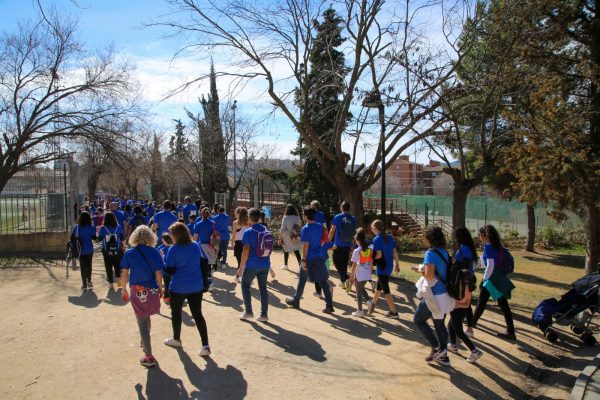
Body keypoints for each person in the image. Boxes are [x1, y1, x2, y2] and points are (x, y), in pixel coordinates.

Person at [163, 223, 211, 356]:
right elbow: (203, 261)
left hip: (178, 286)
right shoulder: (195, 245)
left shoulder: (173, 249)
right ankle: (205, 345)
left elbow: (170, 270)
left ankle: (176, 338)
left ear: (176, 235)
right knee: (198, 315)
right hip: (196, 285)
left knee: (176, 314)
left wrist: (163, 260)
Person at [411, 226, 455, 367]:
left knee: (418, 320)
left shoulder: (430, 253)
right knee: (439, 324)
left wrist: (419, 269)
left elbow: (429, 275)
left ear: (429, 239)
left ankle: (437, 348)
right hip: (445, 294)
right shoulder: (444, 252)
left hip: (434, 296)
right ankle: (443, 356)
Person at [120, 225, 164, 368]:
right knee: (147, 316)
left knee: (141, 320)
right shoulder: (154, 251)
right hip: (151, 288)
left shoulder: (129, 253)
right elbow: (158, 273)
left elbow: (125, 272)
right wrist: (160, 287)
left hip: (137, 289)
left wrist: (123, 289)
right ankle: (145, 340)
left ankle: (148, 355)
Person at [285, 208, 334, 313]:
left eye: (304, 214)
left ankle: (296, 300)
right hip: (319, 256)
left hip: (309, 258)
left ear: (306, 216)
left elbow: (305, 246)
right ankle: (329, 305)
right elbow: (323, 240)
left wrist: (303, 259)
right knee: (323, 281)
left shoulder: (306, 228)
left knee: (302, 280)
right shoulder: (319, 226)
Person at [473, 225, 516, 341]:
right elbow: (487, 262)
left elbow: (491, 265)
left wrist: (484, 279)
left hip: (492, 279)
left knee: (499, 304)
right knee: (485, 301)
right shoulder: (497, 246)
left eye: (480, 235)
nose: (479, 237)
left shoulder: (488, 246)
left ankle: (511, 332)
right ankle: (473, 321)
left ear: (484, 235)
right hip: (498, 277)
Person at [237, 208, 271, 321]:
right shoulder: (265, 229)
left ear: (249, 218)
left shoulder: (248, 232)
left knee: (245, 285)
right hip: (265, 263)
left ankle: (248, 311)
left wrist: (240, 268)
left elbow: (245, 251)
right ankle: (264, 314)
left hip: (252, 264)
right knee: (263, 288)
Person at [446, 265, 484, 363]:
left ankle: (474, 351)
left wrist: (455, 304)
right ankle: (453, 345)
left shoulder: (466, 288)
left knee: (459, 332)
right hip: (457, 311)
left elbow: (466, 305)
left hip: (458, 311)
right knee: (450, 326)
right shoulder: (464, 286)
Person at [367, 220, 400, 318]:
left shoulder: (377, 239)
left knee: (386, 290)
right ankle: (372, 305)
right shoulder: (390, 237)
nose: (372, 230)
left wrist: (371, 258)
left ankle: (394, 312)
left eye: (372, 228)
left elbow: (379, 255)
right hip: (389, 266)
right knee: (379, 287)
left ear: (376, 228)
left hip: (382, 267)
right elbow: (395, 252)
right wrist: (397, 264)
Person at [452, 227, 478, 338]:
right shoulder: (467, 246)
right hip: (466, 277)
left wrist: (455, 264)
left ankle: (468, 328)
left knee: (466, 304)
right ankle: (468, 328)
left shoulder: (464, 247)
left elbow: (466, 264)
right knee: (467, 304)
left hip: (465, 279)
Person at [329, 201, 356, 292]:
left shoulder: (338, 217)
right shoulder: (353, 218)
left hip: (338, 244)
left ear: (341, 207)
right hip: (348, 244)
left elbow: (332, 231)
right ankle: (343, 282)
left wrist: (328, 241)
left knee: (336, 261)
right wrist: (352, 244)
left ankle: (345, 278)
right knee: (344, 263)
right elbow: (353, 233)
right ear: (349, 208)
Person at [98, 211, 126, 289]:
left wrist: (98, 232)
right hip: (118, 249)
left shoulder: (103, 228)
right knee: (117, 264)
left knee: (108, 266)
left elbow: (99, 239)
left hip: (106, 250)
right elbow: (123, 238)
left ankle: (110, 283)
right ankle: (118, 277)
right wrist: (124, 247)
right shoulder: (119, 227)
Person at [349, 228, 373, 317]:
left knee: (358, 293)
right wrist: (370, 272)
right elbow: (371, 262)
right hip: (367, 275)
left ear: (357, 240)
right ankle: (368, 301)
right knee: (361, 288)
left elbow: (354, 265)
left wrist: (351, 276)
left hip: (359, 275)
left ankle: (360, 310)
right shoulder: (370, 249)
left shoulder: (356, 251)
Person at [71, 211, 97, 291]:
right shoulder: (91, 227)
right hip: (89, 249)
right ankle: (89, 280)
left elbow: (72, 238)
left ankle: (84, 284)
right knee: (89, 266)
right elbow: (94, 238)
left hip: (80, 250)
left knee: (82, 267)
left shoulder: (76, 227)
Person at [193, 207, 217, 290]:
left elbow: (195, 238)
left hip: (201, 247)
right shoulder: (213, 223)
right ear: (209, 214)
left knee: (201, 266)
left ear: (201, 214)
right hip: (211, 246)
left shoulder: (198, 224)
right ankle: (210, 283)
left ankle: (203, 283)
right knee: (208, 266)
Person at [279, 204, 302, 271]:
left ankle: (286, 265)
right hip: (295, 235)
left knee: (286, 250)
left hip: (286, 235)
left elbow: (282, 228)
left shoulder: (285, 217)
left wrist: (280, 237)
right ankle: (300, 266)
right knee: (296, 250)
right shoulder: (297, 217)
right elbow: (299, 226)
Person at [232, 207, 251, 273]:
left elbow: (234, 234)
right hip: (247, 244)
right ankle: (244, 276)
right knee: (245, 261)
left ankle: (238, 276)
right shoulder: (248, 222)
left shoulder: (235, 223)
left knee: (239, 261)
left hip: (238, 243)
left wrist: (232, 243)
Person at [158, 233, 174, 305]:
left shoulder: (173, 247)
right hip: (165, 269)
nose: (162, 240)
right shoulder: (160, 247)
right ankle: (167, 297)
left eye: (163, 239)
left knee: (171, 283)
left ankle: (170, 297)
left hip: (173, 268)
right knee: (167, 284)